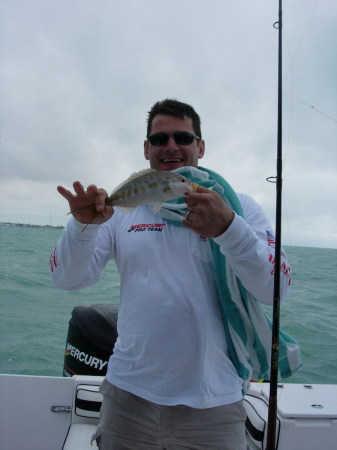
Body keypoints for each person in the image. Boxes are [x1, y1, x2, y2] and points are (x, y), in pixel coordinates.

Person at [50, 99, 292, 449]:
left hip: (214, 403)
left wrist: (228, 229)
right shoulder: (121, 212)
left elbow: (277, 289)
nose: (171, 146)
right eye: (160, 139)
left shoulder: (238, 207)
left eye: (183, 137)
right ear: (147, 149)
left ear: (201, 146)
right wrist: (82, 228)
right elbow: (68, 279)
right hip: (127, 397)